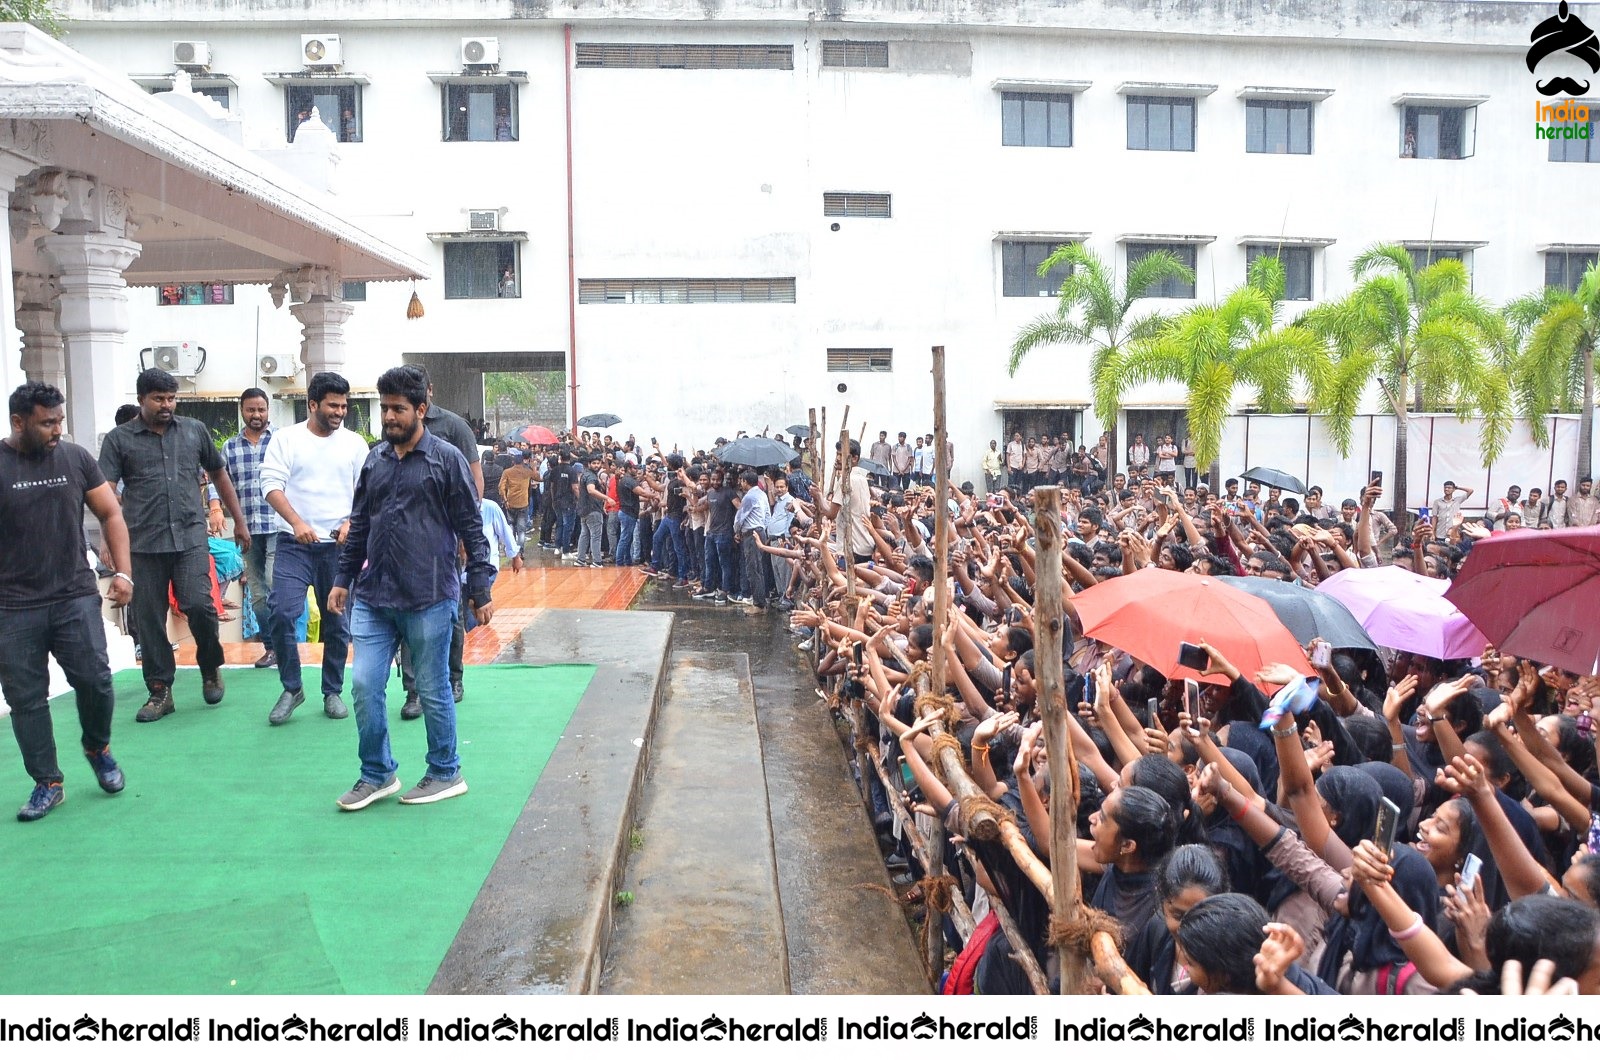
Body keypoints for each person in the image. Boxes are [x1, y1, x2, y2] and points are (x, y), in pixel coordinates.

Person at [327, 365, 494, 810]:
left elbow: (471, 527)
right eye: (384, 408)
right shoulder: (375, 460)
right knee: (364, 685)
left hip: (429, 595)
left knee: (434, 688)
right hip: (375, 594)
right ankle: (377, 773)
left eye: (398, 409)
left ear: (421, 409)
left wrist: (480, 586)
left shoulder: (446, 460)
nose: (389, 417)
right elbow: (359, 523)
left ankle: (445, 771)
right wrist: (343, 579)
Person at [0, 383, 133, 821]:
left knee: (96, 680)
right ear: (19, 423)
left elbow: (110, 512)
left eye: (60, 420)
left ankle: (98, 746)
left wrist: (123, 572)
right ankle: (47, 782)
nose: (58, 429)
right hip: (14, 605)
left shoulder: (75, 459)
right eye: (47, 422)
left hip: (74, 594)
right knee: (26, 698)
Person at [99, 368, 249, 721]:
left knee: (200, 605)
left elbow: (218, 474)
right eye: (158, 399)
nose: (167, 405)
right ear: (141, 400)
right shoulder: (119, 440)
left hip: (189, 538)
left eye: (171, 398)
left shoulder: (194, 431)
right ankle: (160, 691)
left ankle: (210, 666)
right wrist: (108, 540)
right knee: (148, 618)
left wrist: (238, 521)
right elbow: (103, 492)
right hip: (143, 544)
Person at [258, 372, 369, 726]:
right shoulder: (286, 440)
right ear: (312, 405)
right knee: (282, 613)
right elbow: (271, 485)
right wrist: (297, 522)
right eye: (332, 405)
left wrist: (352, 523)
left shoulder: (354, 444)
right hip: (294, 544)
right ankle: (292, 688)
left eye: (343, 405)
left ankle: (332, 690)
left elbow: (366, 493)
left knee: (337, 621)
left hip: (338, 549)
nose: (340, 411)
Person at [221, 388, 277, 669]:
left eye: (261, 410)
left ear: (269, 410)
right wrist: (217, 508)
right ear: (242, 411)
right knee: (257, 594)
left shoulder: (281, 441)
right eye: (251, 410)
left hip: (279, 527)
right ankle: (271, 647)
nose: (256, 415)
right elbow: (219, 483)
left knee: (274, 583)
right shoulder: (229, 448)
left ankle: (286, 644)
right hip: (247, 532)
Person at [733, 468, 771, 613]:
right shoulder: (762, 494)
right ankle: (761, 599)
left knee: (753, 569)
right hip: (760, 531)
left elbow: (740, 518)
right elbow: (767, 515)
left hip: (751, 533)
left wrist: (737, 531)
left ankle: (758, 603)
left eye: (742, 481)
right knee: (759, 568)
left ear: (745, 482)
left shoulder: (749, 497)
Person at [498, 451, 536, 551]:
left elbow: (501, 487)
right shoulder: (527, 471)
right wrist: (533, 466)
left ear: (513, 462)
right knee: (521, 530)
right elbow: (538, 478)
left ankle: (511, 547)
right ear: (522, 462)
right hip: (523, 503)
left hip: (510, 502)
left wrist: (505, 500)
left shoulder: (507, 472)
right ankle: (520, 550)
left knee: (511, 525)